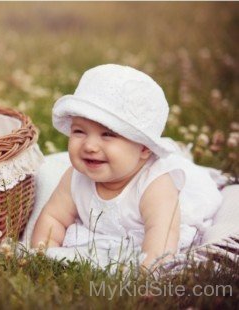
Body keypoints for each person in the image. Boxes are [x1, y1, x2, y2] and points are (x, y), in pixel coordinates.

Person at [30, 64, 223, 269]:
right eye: (79, 131)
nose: (89, 146)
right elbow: (54, 217)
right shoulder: (74, 177)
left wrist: (147, 273)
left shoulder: (155, 185)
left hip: (168, 216)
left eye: (108, 134)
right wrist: (43, 254)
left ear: (144, 149)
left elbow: (163, 234)